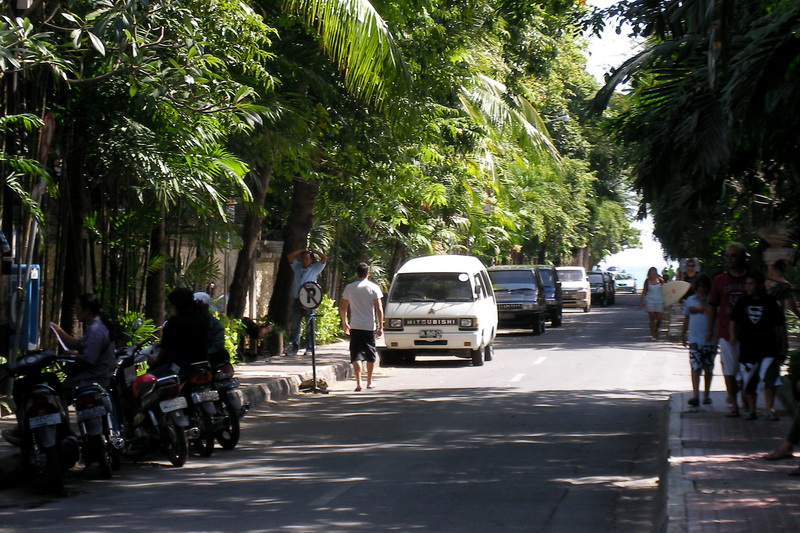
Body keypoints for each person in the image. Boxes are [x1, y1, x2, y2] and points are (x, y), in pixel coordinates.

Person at [3, 293, 117, 446]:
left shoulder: (96, 329)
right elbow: (78, 344)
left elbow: (89, 359)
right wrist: (60, 332)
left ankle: (60, 428)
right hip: (96, 376)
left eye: (78, 308)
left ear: (87, 310)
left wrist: (73, 356)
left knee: (53, 389)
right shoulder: (96, 326)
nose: (76, 312)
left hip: (90, 378)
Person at [730, 272, 786, 421]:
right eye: (746, 284)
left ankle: (770, 408)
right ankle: (751, 410)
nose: (748, 287)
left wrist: (784, 344)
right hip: (748, 347)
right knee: (748, 379)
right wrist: (733, 336)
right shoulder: (742, 301)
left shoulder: (770, 302)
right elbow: (734, 320)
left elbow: (780, 324)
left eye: (751, 284)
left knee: (770, 378)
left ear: (759, 285)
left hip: (768, 346)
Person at [708, 242, 750, 417]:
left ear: (742, 257)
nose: (729, 259)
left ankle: (748, 402)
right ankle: (734, 404)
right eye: (727, 256)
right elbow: (712, 305)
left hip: (750, 332)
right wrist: (710, 329)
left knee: (749, 371)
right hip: (726, 332)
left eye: (733, 255)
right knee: (729, 370)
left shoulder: (752, 279)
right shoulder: (720, 280)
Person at [340, 262, 384, 392]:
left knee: (356, 355)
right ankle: (369, 382)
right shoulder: (373, 287)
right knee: (371, 354)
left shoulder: (349, 288)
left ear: (356, 273)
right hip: (369, 326)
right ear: (368, 273)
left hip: (355, 326)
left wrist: (345, 323)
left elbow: (343, 308)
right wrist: (381, 326)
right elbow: (379, 309)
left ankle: (359, 382)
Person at [150, 287, 209, 376]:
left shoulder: (173, 323)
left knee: (149, 379)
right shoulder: (203, 319)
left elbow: (165, 350)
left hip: (179, 367)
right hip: (202, 365)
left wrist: (155, 361)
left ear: (176, 305)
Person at [681, 273, 716, 407]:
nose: (701, 290)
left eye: (704, 288)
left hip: (709, 339)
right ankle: (696, 395)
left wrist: (703, 302)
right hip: (694, 339)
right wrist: (683, 334)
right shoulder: (690, 300)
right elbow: (687, 318)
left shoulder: (712, 302)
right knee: (695, 366)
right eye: (699, 287)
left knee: (708, 367)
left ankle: (706, 394)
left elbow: (713, 315)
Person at [286, 247, 328, 356]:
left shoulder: (315, 268)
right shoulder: (297, 267)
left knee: (310, 324)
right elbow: (290, 256)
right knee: (295, 324)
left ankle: (310, 348)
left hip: (309, 301)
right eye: (303, 258)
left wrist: (314, 251)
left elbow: (324, 258)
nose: (304, 261)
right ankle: (294, 347)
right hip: (297, 299)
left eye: (307, 259)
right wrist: (301, 250)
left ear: (311, 260)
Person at [194, 292, 230, 367]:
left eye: (201, 305)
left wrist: (205, 354)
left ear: (206, 306)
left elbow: (218, 343)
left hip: (210, 360)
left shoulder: (215, 324)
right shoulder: (186, 321)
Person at [639, 267, 665, 341]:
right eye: (651, 273)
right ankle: (653, 335)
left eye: (654, 273)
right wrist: (641, 302)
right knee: (652, 318)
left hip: (660, 301)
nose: (652, 275)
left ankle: (656, 330)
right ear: (649, 274)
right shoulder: (647, 281)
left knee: (659, 319)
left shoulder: (660, 280)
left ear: (656, 273)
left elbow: (666, 290)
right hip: (649, 301)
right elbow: (644, 292)